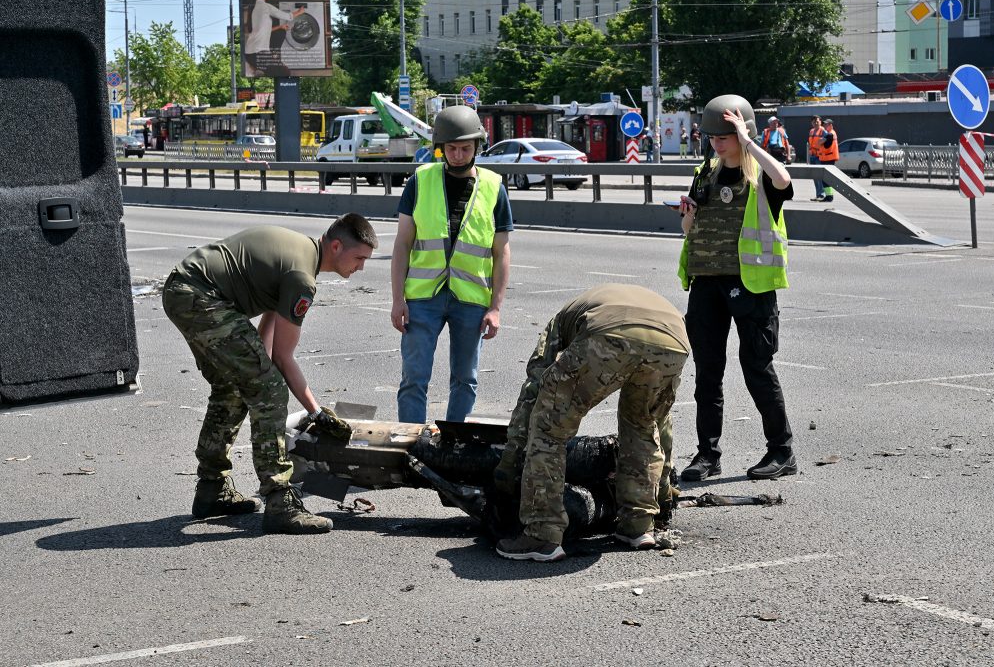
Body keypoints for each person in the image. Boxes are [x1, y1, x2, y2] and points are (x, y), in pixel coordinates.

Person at [162, 215, 378, 535]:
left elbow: (265, 341)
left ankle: (211, 489)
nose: (361, 267)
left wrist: (256, 374)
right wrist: (315, 412)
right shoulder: (302, 277)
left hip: (184, 290)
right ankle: (280, 501)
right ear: (336, 245)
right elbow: (282, 357)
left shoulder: (298, 254)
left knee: (234, 387)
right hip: (202, 296)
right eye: (359, 257)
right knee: (271, 391)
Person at [492, 284, 690, 562]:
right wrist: (664, 492)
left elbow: (534, 388)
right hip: (674, 341)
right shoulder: (618, 300)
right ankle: (637, 526)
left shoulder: (561, 321)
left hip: (609, 334)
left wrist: (509, 466)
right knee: (644, 425)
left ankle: (542, 534)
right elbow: (662, 424)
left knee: (549, 429)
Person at [675, 94, 797, 483]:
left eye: (725, 135)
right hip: (707, 283)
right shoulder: (704, 173)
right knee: (707, 374)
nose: (717, 142)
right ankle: (707, 455)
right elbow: (688, 230)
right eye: (712, 136)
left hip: (750, 286)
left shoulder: (760, 178)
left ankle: (782, 451)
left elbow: (785, 179)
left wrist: (748, 141)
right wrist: (687, 217)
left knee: (756, 369)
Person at [391, 105, 512, 424]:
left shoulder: (494, 187)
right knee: (414, 380)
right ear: (440, 148)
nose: (458, 154)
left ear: (477, 147)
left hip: (471, 299)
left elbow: (502, 253)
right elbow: (402, 244)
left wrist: (496, 307)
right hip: (422, 298)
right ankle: (411, 450)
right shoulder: (419, 181)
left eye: (465, 148)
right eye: (452, 148)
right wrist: (397, 300)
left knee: (465, 380)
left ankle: (454, 450)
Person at [243, 0, 305, 77]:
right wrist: (299, 12)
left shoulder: (256, 9)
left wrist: (280, 27)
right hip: (259, 53)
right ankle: (260, 70)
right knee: (285, 72)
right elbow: (287, 16)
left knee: (281, 32)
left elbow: (263, 30)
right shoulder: (265, 7)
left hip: (249, 53)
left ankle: (260, 69)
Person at [816, 118, 839, 203]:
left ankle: (829, 197)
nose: (824, 126)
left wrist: (820, 140)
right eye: (824, 124)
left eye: (826, 124)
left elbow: (820, 143)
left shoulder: (830, 134)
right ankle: (829, 196)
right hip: (827, 158)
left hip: (828, 159)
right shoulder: (830, 134)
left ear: (831, 125)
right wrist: (820, 140)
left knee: (826, 179)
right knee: (826, 179)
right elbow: (820, 142)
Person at [807, 115, 826, 201]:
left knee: (819, 176)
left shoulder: (823, 130)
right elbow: (810, 143)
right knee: (815, 176)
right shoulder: (811, 131)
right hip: (813, 156)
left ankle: (822, 194)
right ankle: (818, 194)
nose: (816, 122)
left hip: (819, 156)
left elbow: (827, 140)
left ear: (820, 121)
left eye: (817, 121)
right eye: (814, 121)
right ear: (811, 123)